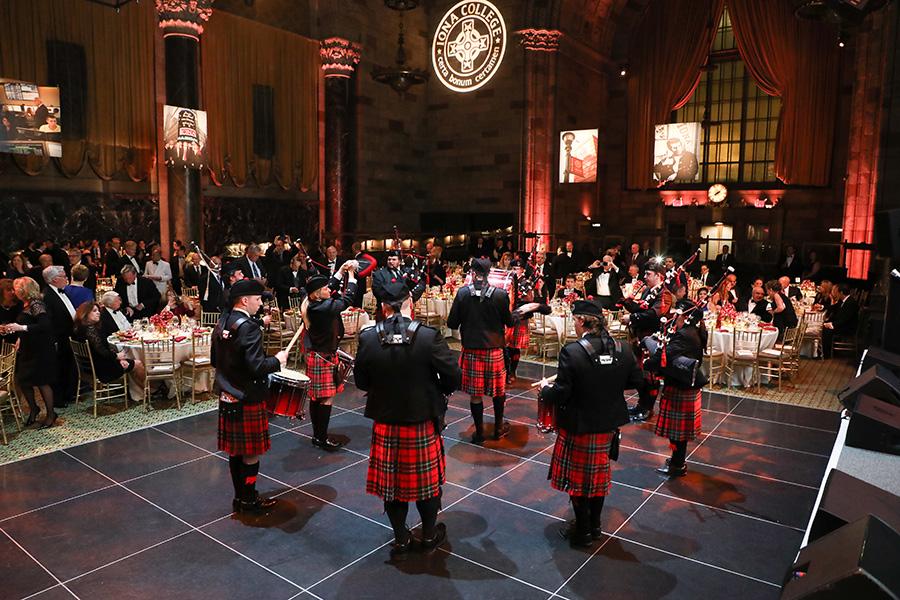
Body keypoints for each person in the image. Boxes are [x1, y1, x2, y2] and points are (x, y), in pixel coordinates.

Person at [354, 280, 461, 558]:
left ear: (382, 307)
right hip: (421, 419)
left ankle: (401, 538)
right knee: (426, 484)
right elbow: (453, 376)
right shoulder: (428, 336)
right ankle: (428, 535)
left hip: (386, 422)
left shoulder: (367, 337)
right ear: (409, 304)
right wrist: (440, 390)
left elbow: (362, 382)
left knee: (392, 486)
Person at [539, 300, 642, 547]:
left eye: (574, 320)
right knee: (597, 479)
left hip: (579, 423)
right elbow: (636, 380)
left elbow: (562, 392)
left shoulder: (572, 352)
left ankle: (583, 532)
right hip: (608, 424)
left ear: (583, 321)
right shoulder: (623, 348)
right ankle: (594, 527)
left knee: (578, 481)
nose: (573, 325)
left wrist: (546, 389)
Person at [212, 279, 288, 514]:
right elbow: (256, 366)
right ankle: (250, 498)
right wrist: (277, 361)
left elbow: (216, 360)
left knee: (236, 451)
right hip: (248, 395)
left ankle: (240, 497)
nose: (260, 303)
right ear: (244, 300)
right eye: (258, 299)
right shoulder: (249, 327)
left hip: (228, 393)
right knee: (251, 454)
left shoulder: (223, 321)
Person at [447, 257, 514, 443]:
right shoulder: (500, 294)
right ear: (489, 272)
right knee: (498, 392)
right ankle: (498, 428)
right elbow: (509, 322)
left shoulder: (462, 293)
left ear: (472, 273)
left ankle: (479, 433)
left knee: (475, 395)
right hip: (494, 351)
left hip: (471, 351)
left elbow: (451, 323)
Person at [643, 299, 708, 477]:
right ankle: (676, 461)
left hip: (681, 386)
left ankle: (677, 465)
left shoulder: (686, 335)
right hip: (685, 384)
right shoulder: (692, 330)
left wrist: (647, 363)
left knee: (678, 431)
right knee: (679, 431)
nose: (674, 316)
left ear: (685, 316)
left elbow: (665, 355)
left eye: (677, 314)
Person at [301, 262, 358, 450]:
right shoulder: (321, 308)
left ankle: (318, 435)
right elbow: (346, 300)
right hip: (322, 357)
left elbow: (331, 286)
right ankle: (322, 437)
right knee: (326, 398)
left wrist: (340, 272)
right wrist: (352, 278)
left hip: (317, 356)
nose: (328, 289)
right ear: (318, 293)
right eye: (324, 288)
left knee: (317, 398)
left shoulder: (313, 302)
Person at [619, 261, 673, 422]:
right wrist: (627, 303)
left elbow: (654, 315)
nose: (645, 276)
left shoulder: (665, 295)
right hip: (639, 338)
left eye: (648, 274)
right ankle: (641, 405)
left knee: (650, 376)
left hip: (652, 339)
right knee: (640, 375)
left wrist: (632, 317)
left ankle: (647, 409)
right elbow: (642, 309)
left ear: (659, 276)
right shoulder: (649, 291)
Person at [2, 278, 60, 428]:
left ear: (23, 290)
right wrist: (19, 335)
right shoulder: (26, 304)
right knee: (24, 380)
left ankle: (51, 414)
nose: (14, 292)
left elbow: (45, 325)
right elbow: (30, 325)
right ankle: (34, 408)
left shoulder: (36, 303)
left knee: (42, 381)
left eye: (16, 288)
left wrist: (20, 328)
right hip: (29, 348)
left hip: (41, 349)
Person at [73, 302, 145, 385]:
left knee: (127, 360)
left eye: (98, 310)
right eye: (94, 311)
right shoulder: (90, 330)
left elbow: (100, 351)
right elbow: (102, 352)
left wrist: (119, 359)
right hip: (103, 369)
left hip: (90, 368)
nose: (98, 312)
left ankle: (138, 392)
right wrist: (117, 357)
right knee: (138, 363)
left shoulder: (80, 328)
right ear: (85, 313)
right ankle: (149, 390)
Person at [505, 261, 551, 384]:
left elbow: (533, 301)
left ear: (522, 270)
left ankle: (512, 372)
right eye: (513, 268)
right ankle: (505, 371)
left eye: (518, 268)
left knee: (514, 348)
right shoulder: (507, 282)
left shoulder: (527, 283)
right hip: (506, 318)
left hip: (520, 319)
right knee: (505, 347)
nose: (515, 271)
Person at [43, 266, 77, 408]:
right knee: (59, 369)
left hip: (68, 336)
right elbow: (49, 321)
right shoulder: (48, 296)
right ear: (55, 279)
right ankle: (59, 399)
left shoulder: (62, 292)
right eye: (64, 276)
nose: (67, 279)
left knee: (68, 367)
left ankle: (68, 394)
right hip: (59, 338)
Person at [822, 283, 858, 359]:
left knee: (826, 330)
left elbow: (845, 319)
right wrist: (823, 307)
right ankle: (824, 351)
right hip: (843, 324)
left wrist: (832, 324)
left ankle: (826, 354)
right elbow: (834, 308)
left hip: (848, 327)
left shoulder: (850, 303)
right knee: (824, 325)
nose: (836, 294)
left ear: (841, 293)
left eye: (837, 292)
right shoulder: (843, 301)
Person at [0, 278, 23, 344]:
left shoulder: (20, 304)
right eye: (9, 290)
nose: (13, 292)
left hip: (18, 340)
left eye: (13, 289)